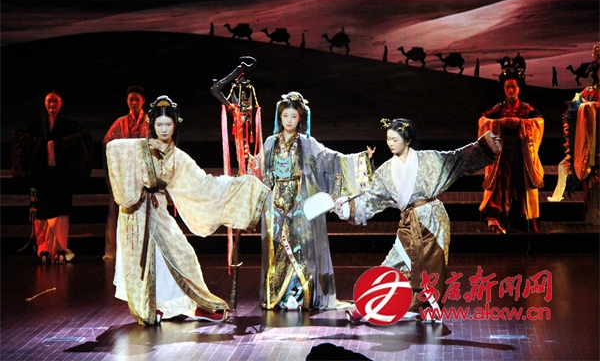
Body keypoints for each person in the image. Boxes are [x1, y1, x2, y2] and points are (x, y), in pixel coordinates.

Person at [106, 95, 269, 325]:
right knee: (147, 263)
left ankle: (195, 304)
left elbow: (204, 184)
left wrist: (241, 185)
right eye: (159, 124)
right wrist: (134, 183)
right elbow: (112, 147)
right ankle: (149, 307)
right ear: (152, 125)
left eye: (168, 124)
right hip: (136, 213)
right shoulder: (139, 148)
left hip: (158, 212)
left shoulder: (178, 158)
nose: (164, 129)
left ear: (175, 125)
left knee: (183, 254)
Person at [335, 118, 500, 321]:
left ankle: (429, 309)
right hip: (408, 222)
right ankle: (365, 306)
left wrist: (484, 146)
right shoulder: (385, 171)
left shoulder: (429, 160)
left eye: (395, 139)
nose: (390, 143)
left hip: (433, 220)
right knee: (393, 262)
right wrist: (347, 208)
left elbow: (457, 160)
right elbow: (371, 198)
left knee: (432, 266)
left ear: (408, 140)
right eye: (388, 139)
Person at [255, 91, 374, 310]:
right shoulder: (270, 143)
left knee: (302, 248)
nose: (289, 120)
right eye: (285, 116)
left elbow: (331, 160)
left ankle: (302, 296)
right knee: (277, 248)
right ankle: (279, 295)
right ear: (280, 117)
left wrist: (360, 160)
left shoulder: (308, 143)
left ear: (300, 118)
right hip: (275, 203)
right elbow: (260, 170)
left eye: (294, 116)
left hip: (300, 202)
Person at [11, 91, 93, 264]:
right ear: (44, 103)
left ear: (61, 104)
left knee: (61, 214)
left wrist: (56, 146)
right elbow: (18, 138)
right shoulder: (36, 126)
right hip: (41, 176)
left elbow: (83, 139)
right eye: (49, 101)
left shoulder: (69, 126)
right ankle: (43, 249)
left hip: (61, 176)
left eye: (55, 102)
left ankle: (60, 249)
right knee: (41, 214)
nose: (52, 105)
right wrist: (44, 146)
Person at [478, 67, 544, 234]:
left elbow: (539, 122)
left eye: (513, 87)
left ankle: (519, 223)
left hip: (521, 156)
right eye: (507, 87)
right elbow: (483, 121)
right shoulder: (499, 108)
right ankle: (497, 221)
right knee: (499, 186)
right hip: (502, 156)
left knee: (520, 188)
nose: (511, 90)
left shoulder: (526, 109)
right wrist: (499, 123)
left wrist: (521, 124)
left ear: (519, 88)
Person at [548, 44, 599, 224]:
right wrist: (589, 107)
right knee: (589, 179)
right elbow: (573, 114)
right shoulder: (588, 93)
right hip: (592, 143)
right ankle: (593, 217)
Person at [102, 85, 150, 260]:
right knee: (124, 212)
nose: (134, 103)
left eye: (137, 99)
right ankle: (125, 248)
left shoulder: (150, 122)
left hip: (143, 176)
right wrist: (110, 175)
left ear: (143, 101)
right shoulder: (120, 123)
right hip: (124, 176)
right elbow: (107, 146)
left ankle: (144, 248)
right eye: (131, 99)